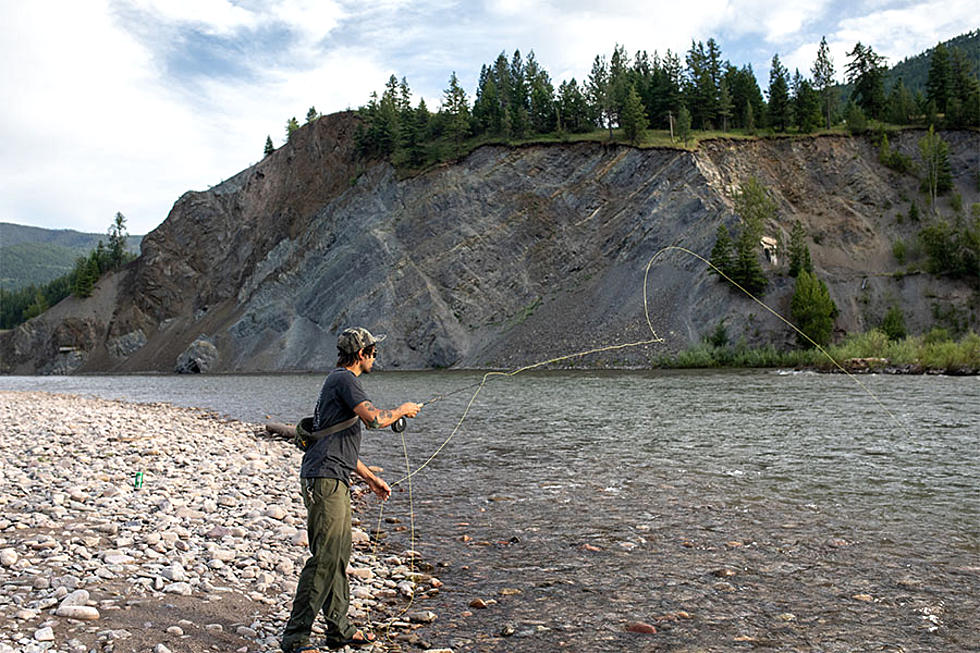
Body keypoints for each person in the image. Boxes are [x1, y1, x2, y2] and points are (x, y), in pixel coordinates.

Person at [281, 327, 421, 652]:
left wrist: (370, 479)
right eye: (373, 352)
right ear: (362, 354)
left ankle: (339, 629)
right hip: (324, 480)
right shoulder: (344, 380)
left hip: (334, 477)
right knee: (324, 558)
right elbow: (373, 419)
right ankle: (296, 638)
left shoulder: (339, 382)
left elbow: (339, 443)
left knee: (339, 555)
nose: (375, 357)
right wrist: (402, 410)